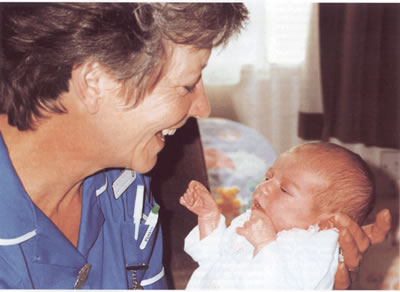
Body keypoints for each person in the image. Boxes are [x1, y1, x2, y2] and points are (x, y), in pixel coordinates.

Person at [0, 2, 390, 289]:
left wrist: (321, 278)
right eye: (188, 84)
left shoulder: (127, 189)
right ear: (94, 82)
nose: (202, 108)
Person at [180, 142, 376, 289]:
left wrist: (265, 244)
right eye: (268, 177)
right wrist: (208, 218)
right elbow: (213, 258)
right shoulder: (256, 223)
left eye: (283, 189)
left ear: (326, 222)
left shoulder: (316, 249)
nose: (264, 187)